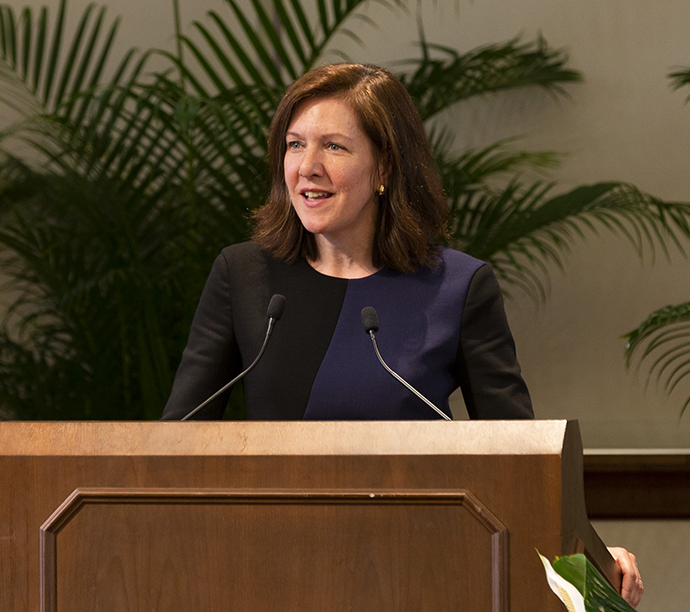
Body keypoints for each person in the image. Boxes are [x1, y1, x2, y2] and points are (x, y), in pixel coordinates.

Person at [162, 63, 643, 606]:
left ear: (385, 165)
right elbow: (171, 448)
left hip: (416, 577)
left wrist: (597, 563)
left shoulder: (458, 287)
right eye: (294, 145)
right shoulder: (244, 276)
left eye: (335, 148)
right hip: (266, 574)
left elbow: (520, 466)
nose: (307, 168)